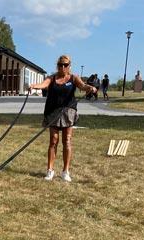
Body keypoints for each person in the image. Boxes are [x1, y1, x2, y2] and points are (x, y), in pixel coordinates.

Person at [28, 54, 96, 182]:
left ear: (69, 66)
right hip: (53, 111)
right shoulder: (52, 78)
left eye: (65, 65)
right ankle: (50, 170)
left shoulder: (73, 78)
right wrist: (34, 86)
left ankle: (65, 171)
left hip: (68, 112)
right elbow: (44, 84)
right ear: (57, 65)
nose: (63, 67)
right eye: (60, 64)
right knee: (53, 140)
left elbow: (82, 86)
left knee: (67, 141)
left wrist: (90, 88)